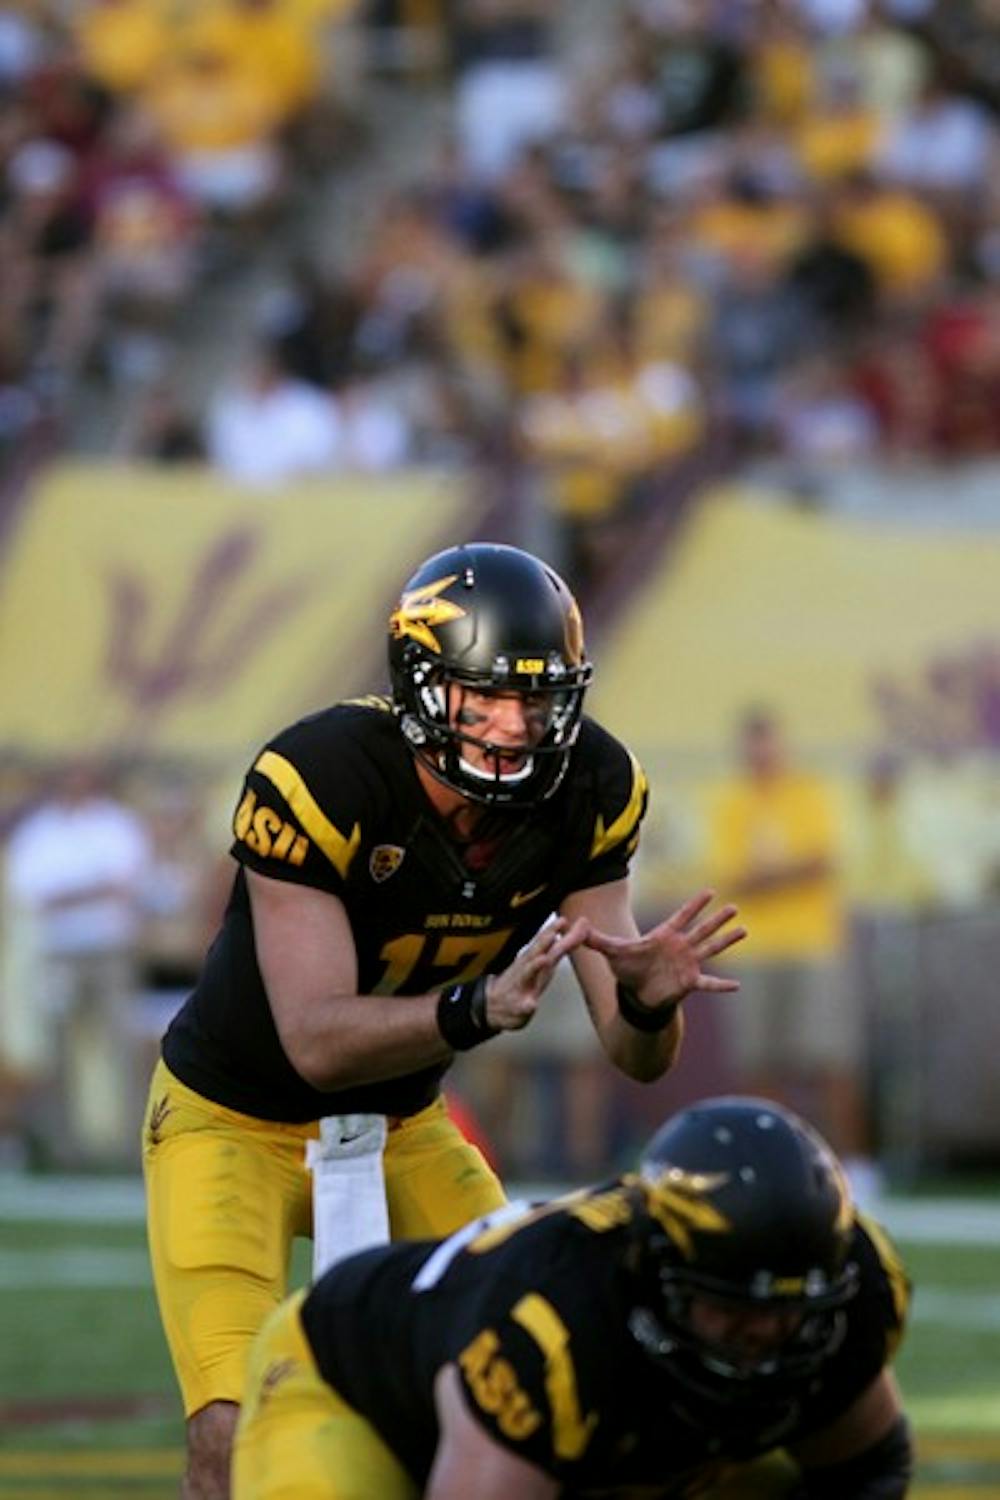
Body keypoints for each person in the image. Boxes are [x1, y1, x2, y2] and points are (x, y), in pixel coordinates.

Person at [142, 540, 746, 1498]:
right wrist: (473, 1010)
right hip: (232, 1122)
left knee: (530, 1355)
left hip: (401, 1128)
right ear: (423, 686)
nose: (513, 723)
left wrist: (644, 997)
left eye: (536, 696)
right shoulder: (323, 774)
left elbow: (636, 1059)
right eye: (484, 694)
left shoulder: (590, 785)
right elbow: (313, 1041)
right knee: (230, 1423)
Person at [233, 1094, 914, 1500]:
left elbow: (865, 1473)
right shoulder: (553, 1329)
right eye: (735, 1309)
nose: (766, 1335)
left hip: (582, 1434)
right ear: (660, 1272)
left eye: (789, 1313)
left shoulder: (856, 1294)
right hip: (352, 1392)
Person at [706, 707, 874, 1196]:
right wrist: (784, 874)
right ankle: (780, 1163)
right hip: (751, 950)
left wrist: (768, 878)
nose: (761, 754)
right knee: (760, 1065)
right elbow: (732, 875)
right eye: (753, 744)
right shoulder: (728, 800)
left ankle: (855, 1166)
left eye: (768, 742)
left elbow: (822, 862)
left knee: (831, 1061)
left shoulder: (809, 792)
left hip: (813, 944)